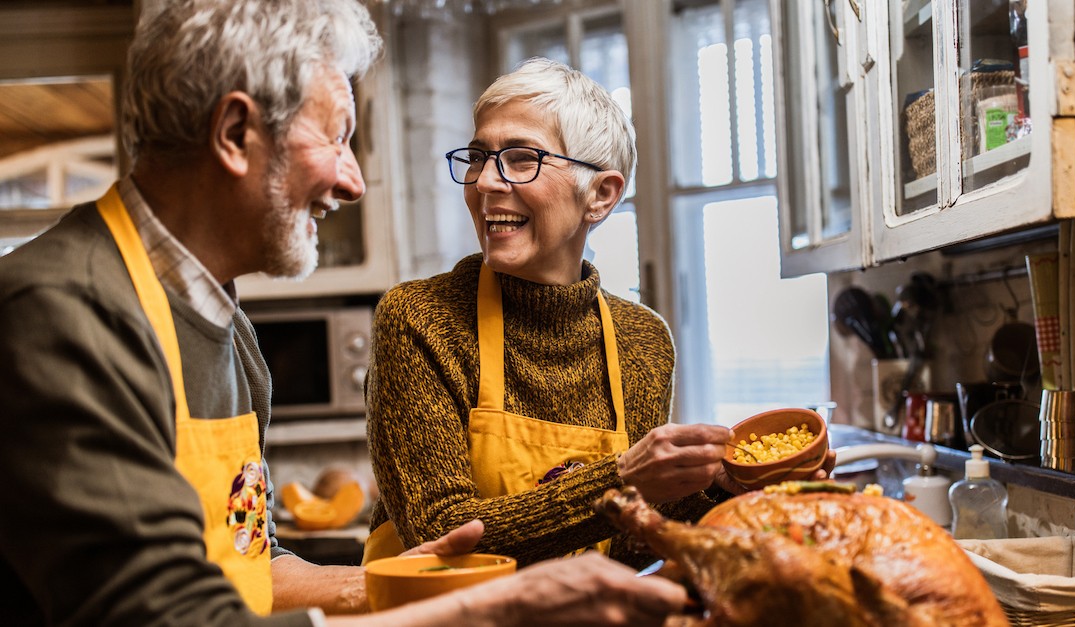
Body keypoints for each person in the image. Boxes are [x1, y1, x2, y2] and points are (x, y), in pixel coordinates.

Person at [0, 2, 686, 625]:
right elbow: (167, 616)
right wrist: (493, 601)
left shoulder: (223, 326)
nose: (354, 180)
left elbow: (250, 565)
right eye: (337, 137)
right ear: (236, 133)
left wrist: (397, 586)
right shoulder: (64, 313)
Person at [364, 58, 835, 567]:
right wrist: (623, 479)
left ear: (601, 195)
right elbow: (440, 535)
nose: (484, 183)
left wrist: (724, 488)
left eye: (521, 158)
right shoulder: (420, 318)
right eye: (479, 157)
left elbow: (632, 540)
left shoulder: (643, 340)